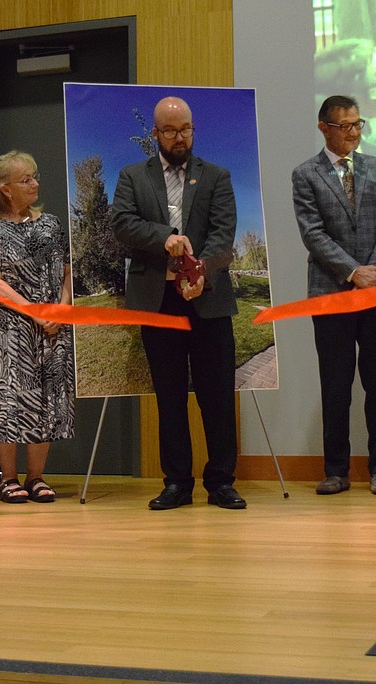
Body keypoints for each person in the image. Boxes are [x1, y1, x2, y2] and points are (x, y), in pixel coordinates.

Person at [111, 96, 244, 511]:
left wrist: (201, 271)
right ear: (155, 133)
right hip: (159, 301)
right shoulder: (133, 176)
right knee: (170, 397)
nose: (179, 137)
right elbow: (122, 223)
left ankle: (221, 482)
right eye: (170, 130)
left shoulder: (216, 176)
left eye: (185, 128)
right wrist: (164, 236)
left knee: (217, 395)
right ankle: (177, 483)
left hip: (209, 300)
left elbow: (224, 233)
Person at [292, 95, 376, 497]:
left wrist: (374, 269)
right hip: (331, 293)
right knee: (335, 386)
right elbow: (312, 233)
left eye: (359, 124)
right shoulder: (305, 174)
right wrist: (353, 272)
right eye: (346, 126)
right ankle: (336, 470)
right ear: (324, 128)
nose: (354, 132)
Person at [0, 151, 75, 503]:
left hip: (53, 327)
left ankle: (36, 476)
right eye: (26, 180)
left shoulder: (50, 223)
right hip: (10, 328)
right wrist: (34, 312)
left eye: (35, 176)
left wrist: (62, 309)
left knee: (47, 400)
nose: (35, 183)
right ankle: (8, 477)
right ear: (6, 189)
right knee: (7, 399)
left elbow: (67, 273)